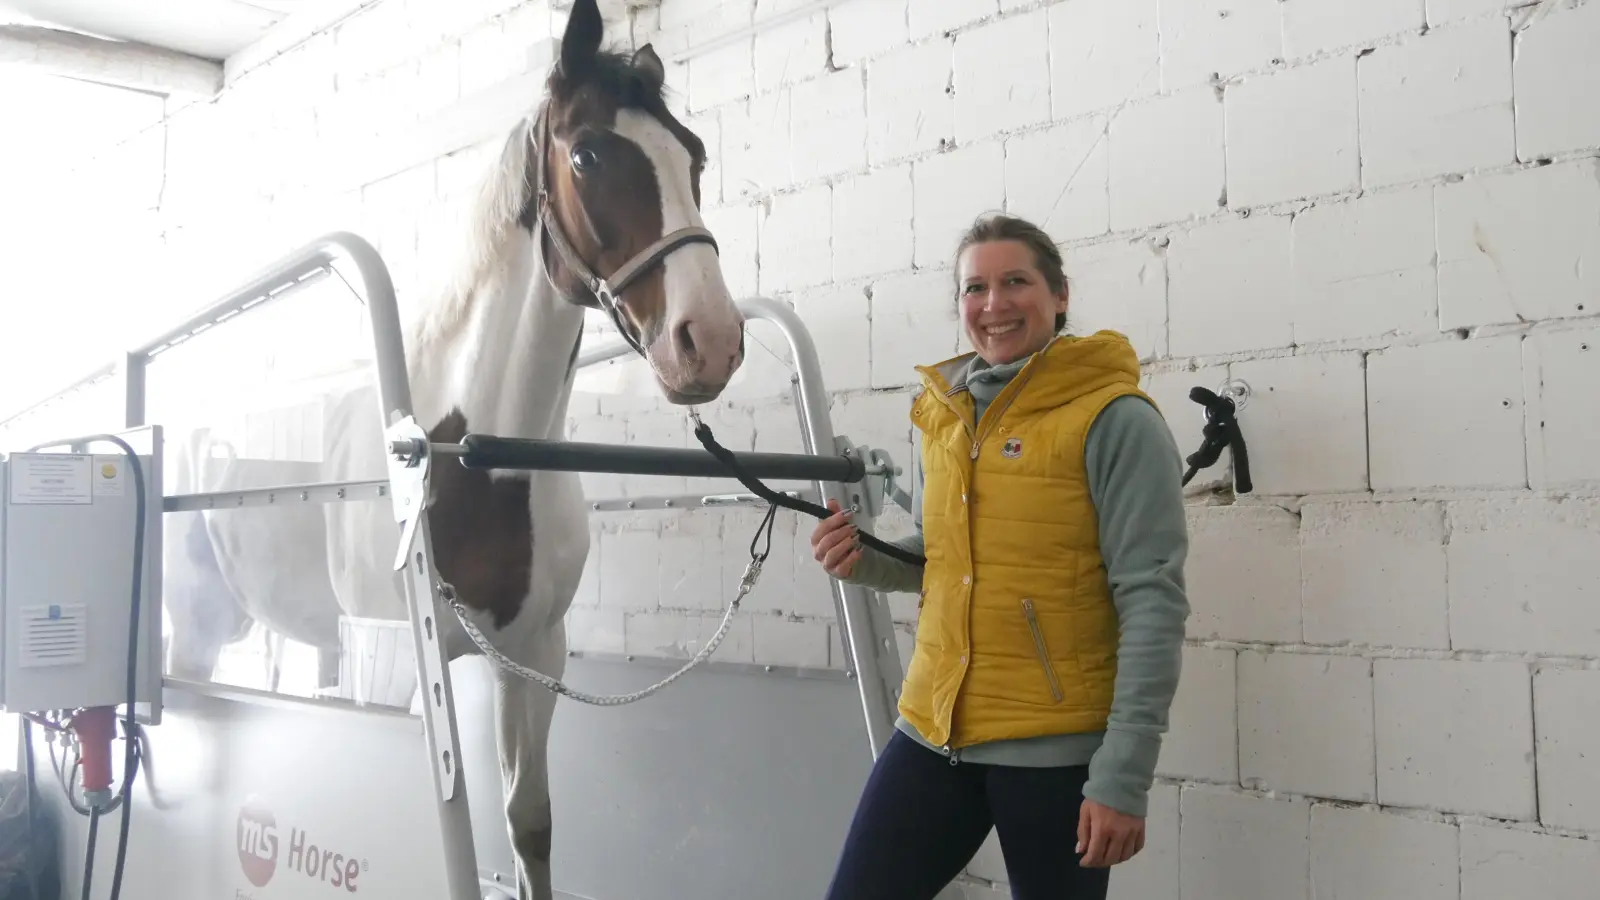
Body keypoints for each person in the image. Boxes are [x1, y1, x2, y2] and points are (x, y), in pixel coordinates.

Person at [811, 213, 1190, 899]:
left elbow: (1153, 604)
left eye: (1015, 282)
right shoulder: (946, 416)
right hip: (933, 730)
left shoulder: (1115, 419)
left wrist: (1123, 777)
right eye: (975, 287)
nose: (993, 304)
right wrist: (864, 559)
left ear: (1060, 295)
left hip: (1055, 753)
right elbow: (944, 560)